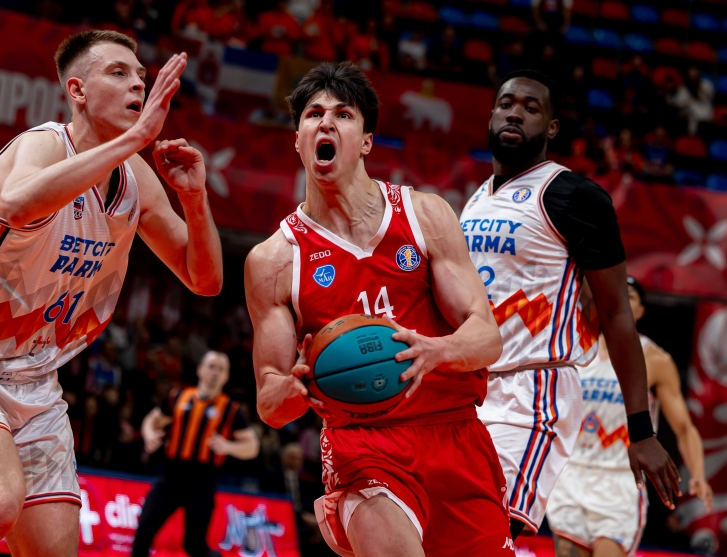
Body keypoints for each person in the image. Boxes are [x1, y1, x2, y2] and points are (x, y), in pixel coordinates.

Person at [0, 30, 223, 556]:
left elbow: (203, 279)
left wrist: (196, 198)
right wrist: (135, 139)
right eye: (118, 72)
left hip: (36, 385)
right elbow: (17, 203)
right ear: (78, 90)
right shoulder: (43, 144)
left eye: (141, 76)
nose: (137, 83)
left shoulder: (135, 177)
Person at [245, 62, 514, 557]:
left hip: (455, 435)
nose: (326, 123)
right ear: (298, 140)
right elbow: (270, 403)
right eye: (313, 115)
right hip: (362, 445)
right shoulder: (274, 261)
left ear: (366, 141)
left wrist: (434, 351)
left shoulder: (425, 215)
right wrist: (295, 388)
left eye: (343, 115)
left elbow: (487, 338)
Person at [459, 69, 680, 540]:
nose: (515, 113)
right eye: (506, 104)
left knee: (484, 536)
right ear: (492, 115)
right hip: (469, 390)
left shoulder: (574, 196)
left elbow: (617, 313)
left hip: (531, 392)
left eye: (531, 108)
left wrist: (641, 431)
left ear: (552, 127)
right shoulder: (475, 200)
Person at [547, 277, 714, 557]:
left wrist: (698, 474)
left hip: (621, 482)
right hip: (571, 475)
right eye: (617, 293)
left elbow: (684, 428)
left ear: (640, 310)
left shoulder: (655, 359)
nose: (622, 299)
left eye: (631, 296)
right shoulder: (574, 348)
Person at [133, 350, 259, 557]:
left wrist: (228, 446)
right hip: (171, 477)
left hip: (203, 482)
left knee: (194, 546)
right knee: (143, 535)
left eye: (221, 369)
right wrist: (149, 435)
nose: (215, 372)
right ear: (200, 370)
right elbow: (151, 420)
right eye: (212, 367)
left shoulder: (232, 410)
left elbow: (252, 447)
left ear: (227, 376)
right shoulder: (178, 396)